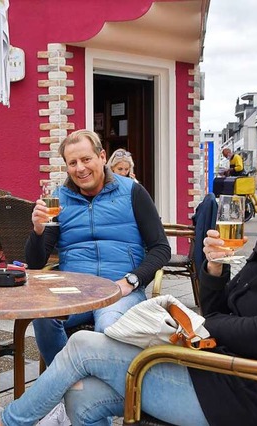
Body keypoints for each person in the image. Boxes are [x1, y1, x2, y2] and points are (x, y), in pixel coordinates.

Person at [0, 129, 257, 425]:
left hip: (238, 391)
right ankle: (55, 391)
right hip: (217, 369)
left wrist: (196, 325)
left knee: (85, 346)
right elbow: (224, 309)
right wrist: (214, 270)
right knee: (81, 395)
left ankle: (6, 422)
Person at [26, 129, 171, 367]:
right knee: (42, 314)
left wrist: (131, 281)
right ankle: (70, 385)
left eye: (86, 159)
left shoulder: (132, 191)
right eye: (72, 163)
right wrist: (38, 230)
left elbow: (161, 248)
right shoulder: (58, 198)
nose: (80, 168)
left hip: (119, 288)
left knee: (109, 326)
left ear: (102, 157)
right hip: (74, 290)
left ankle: (87, 389)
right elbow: (35, 263)